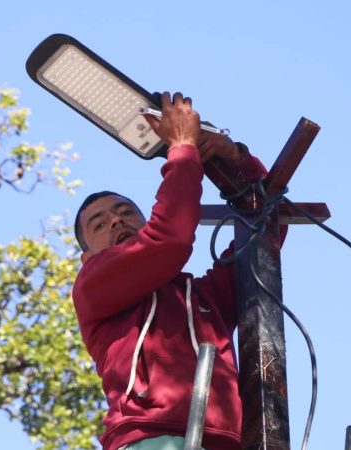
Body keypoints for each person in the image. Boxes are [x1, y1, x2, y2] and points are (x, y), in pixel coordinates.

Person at [72, 92, 269, 450]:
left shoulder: (204, 299)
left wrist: (235, 159)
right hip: (151, 439)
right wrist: (181, 149)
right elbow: (170, 240)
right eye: (99, 225)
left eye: (126, 212)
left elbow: (264, 236)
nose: (116, 220)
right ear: (86, 258)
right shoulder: (92, 286)